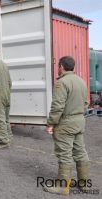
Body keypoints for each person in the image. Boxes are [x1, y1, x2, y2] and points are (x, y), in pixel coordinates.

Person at [44, 56, 89, 195]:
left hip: (66, 123)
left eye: (58, 66)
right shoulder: (81, 81)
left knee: (64, 154)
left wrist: (51, 123)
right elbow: (86, 103)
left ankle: (63, 187)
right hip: (79, 121)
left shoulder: (61, 83)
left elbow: (57, 107)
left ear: (61, 66)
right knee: (80, 152)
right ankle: (84, 184)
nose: (58, 68)